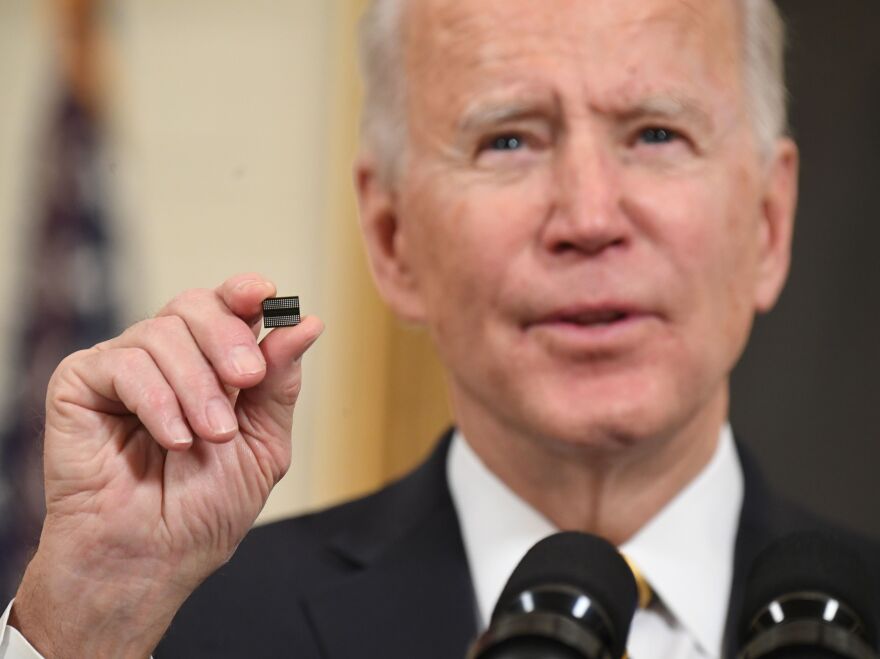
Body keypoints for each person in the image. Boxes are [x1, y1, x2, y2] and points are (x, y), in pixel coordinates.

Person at [1, 0, 876, 657]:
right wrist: (89, 620)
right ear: (392, 238)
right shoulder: (185, 631)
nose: (589, 214)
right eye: (508, 141)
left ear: (768, 220)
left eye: (655, 133)